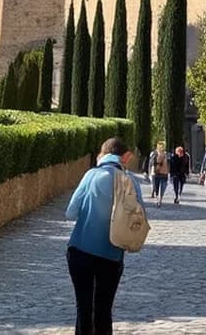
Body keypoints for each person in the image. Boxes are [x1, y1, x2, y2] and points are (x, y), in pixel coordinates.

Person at [65, 137, 146, 335]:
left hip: (81, 250)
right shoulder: (131, 182)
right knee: (103, 310)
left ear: (102, 154)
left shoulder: (91, 175)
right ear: (124, 157)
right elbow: (139, 216)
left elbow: (70, 212)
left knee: (83, 308)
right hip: (111, 254)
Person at [145, 141, 170, 206]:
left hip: (160, 173)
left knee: (160, 187)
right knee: (157, 187)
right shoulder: (155, 154)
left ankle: (159, 199)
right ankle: (158, 199)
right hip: (158, 173)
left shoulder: (167, 154)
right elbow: (150, 163)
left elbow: (150, 163)